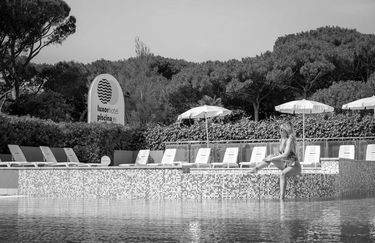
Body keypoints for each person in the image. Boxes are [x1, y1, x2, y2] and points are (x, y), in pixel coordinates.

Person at [250, 120, 301, 200]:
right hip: (285, 164)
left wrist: (272, 158)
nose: (280, 131)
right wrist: (271, 158)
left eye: (282, 130)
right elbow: (280, 155)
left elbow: (285, 154)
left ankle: (281, 198)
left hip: (294, 165)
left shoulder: (290, 140)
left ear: (286, 130)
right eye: (279, 129)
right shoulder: (282, 140)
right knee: (270, 156)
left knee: (282, 174)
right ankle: (255, 169)